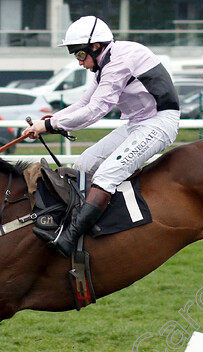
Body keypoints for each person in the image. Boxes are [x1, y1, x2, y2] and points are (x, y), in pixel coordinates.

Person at [25, 16, 180, 258]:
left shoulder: (118, 62)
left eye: (79, 55)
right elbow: (84, 102)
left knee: (107, 173)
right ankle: (71, 221)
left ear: (95, 46)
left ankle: (70, 238)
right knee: (84, 163)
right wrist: (44, 123)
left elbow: (95, 111)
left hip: (159, 123)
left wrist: (50, 125)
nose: (79, 63)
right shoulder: (105, 62)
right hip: (137, 123)